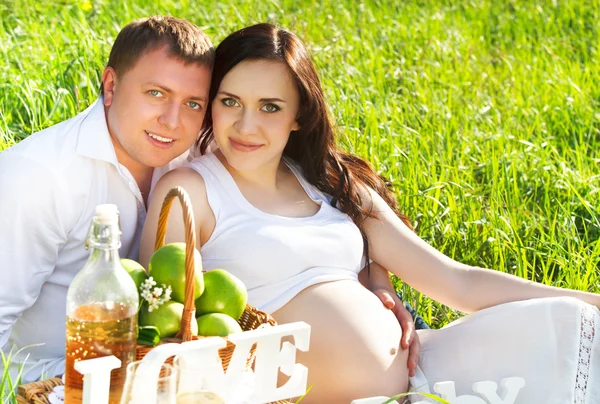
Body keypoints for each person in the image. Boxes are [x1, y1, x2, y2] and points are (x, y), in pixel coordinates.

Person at [140, 23, 600, 403]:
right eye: (230, 101)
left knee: (568, 323)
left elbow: (456, 281)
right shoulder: (190, 192)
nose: (245, 126)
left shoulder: (331, 184)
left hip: (422, 378)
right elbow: (161, 329)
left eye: (270, 107)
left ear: (299, 114)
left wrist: (592, 301)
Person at [0, 16, 416, 386]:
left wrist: (375, 276)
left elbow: (334, 181)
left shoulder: (195, 148)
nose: (172, 120)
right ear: (111, 85)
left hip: (154, 365)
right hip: (55, 379)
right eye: (156, 93)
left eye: (194, 103)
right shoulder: (38, 178)